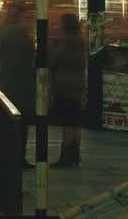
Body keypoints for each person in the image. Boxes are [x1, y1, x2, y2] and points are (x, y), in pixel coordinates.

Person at [0, 2, 35, 168]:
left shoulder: (3, 31)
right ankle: (18, 158)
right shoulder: (20, 34)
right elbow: (26, 60)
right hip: (20, 85)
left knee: (9, 123)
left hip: (6, 83)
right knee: (21, 124)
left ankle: (8, 156)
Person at [50, 13, 86, 168]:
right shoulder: (81, 42)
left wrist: (52, 46)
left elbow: (54, 60)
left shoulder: (68, 42)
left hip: (66, 87)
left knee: (68, 123)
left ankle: (66, 156)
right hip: (77, 85)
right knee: (75, 122)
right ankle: (75, 154)